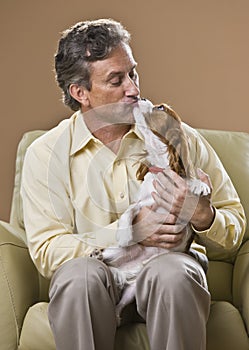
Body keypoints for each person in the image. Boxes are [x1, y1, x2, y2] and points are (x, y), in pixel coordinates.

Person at [21, 19, 246, 350]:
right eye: (116, 80)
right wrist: (126, 234)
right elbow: (47, 250)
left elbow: (234, 226)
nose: (134, 89)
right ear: (80, 93)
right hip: (98, 283)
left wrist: (202, 215)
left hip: (169, 274)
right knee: (78, 277)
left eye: (133, 73)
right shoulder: (45, 154)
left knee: (172, 274)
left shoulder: (175, 135)